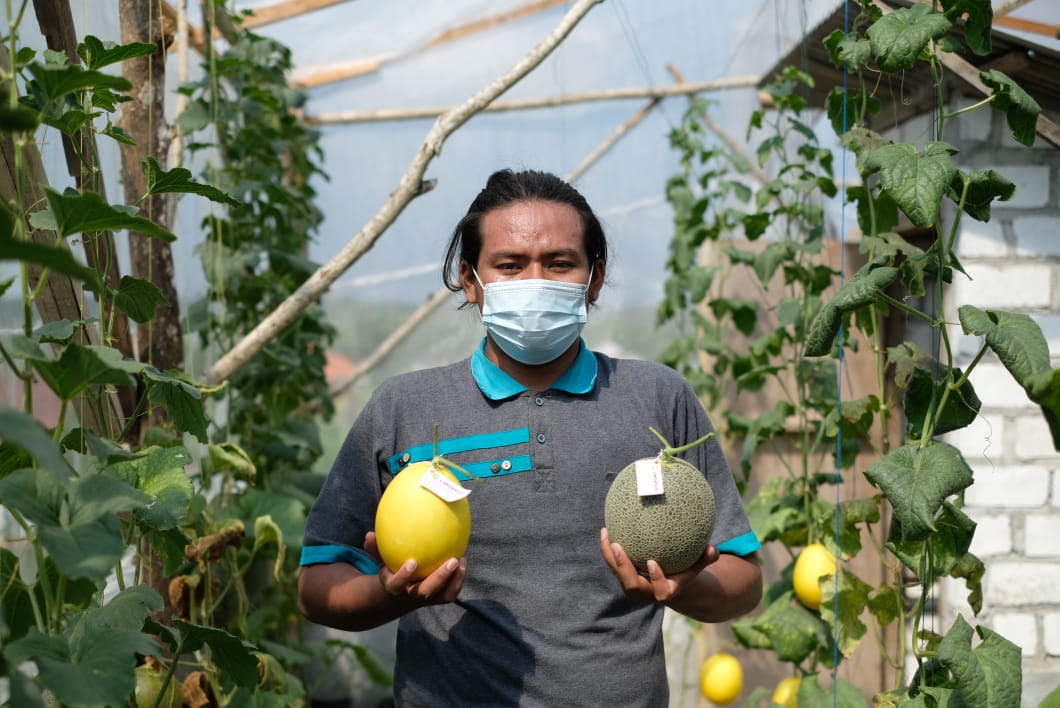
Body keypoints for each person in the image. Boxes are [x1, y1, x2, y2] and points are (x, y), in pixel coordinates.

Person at [298, 169, 762, 707]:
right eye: (510, 265)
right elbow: (317, 587)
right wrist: (388, 594)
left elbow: (741, 577)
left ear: (594, 278)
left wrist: (684, 588)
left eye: (559, 263)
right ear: (471, 281)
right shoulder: (404, 407)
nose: (534, 281)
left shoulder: (658, 399)